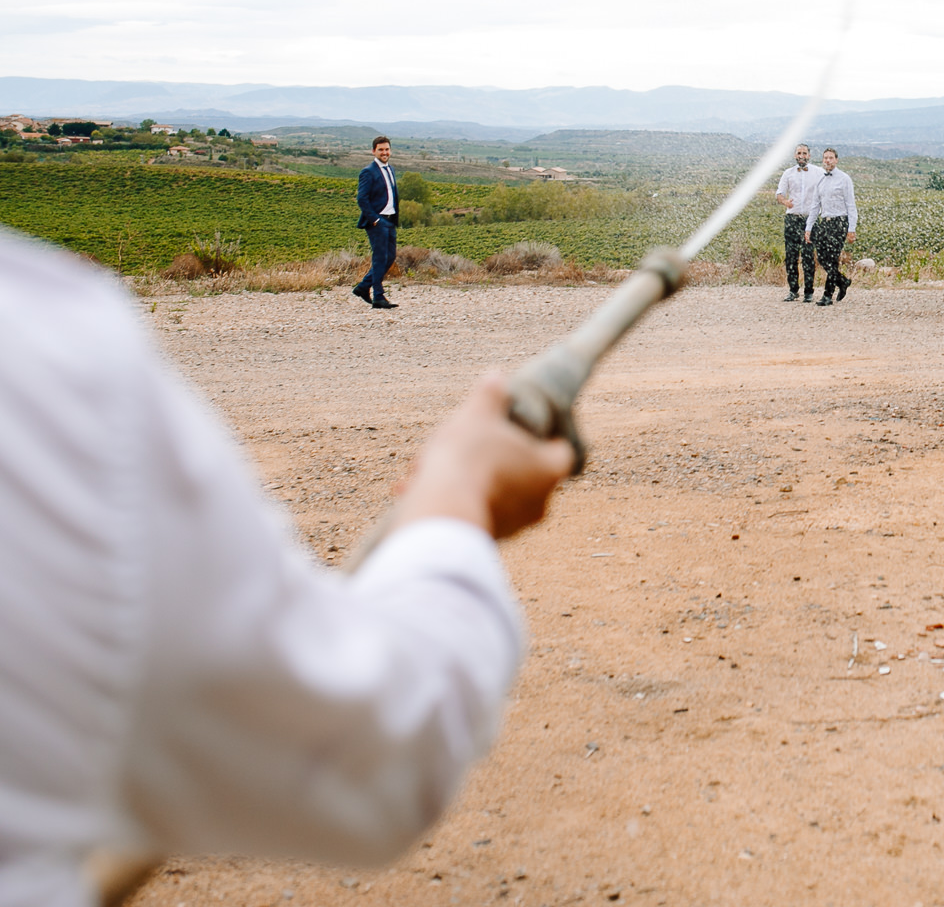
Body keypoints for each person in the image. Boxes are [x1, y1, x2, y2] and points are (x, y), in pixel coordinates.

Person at [0, 229, 577, 905]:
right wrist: (459, 492)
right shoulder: (50, 353)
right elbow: (372, 758)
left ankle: (374, 289)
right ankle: (372, 291)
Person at [802, 147, 858, 306]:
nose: (827, 160)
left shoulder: (844, 179)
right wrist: (809, 227)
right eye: (825, 158)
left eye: (831, 158)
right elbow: (815, 206)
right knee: (822, 258)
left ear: (836, 160)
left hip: (839, 222)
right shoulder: (820, 180)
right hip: (824, 222)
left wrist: (851, 228)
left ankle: (827, 295)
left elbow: (851, 205)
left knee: (832, 259)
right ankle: (842, 281)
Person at [353, 136, 400, 310]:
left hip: (390, 220)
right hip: (377, 222)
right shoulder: (368, 171)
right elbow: (362, 199)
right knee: (380, 258)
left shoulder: (391, 169)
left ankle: (364, 287)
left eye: (387, 149)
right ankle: (378, 297)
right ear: (374, 151)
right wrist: (375, 219)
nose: (384, 152)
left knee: (390, 257)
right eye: (381, 149)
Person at [772, 143, 821, 302]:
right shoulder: (788, 173)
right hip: (792, 218)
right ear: (795, 155)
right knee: (791, 256)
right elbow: (779, 193)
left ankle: (809, 292)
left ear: (809, 155)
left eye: (805, 153)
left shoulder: (818, 172)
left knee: (808, 256)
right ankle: (793, 290)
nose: (802, 155)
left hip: (810, 219)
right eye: (799, 153)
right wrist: (784, 201)